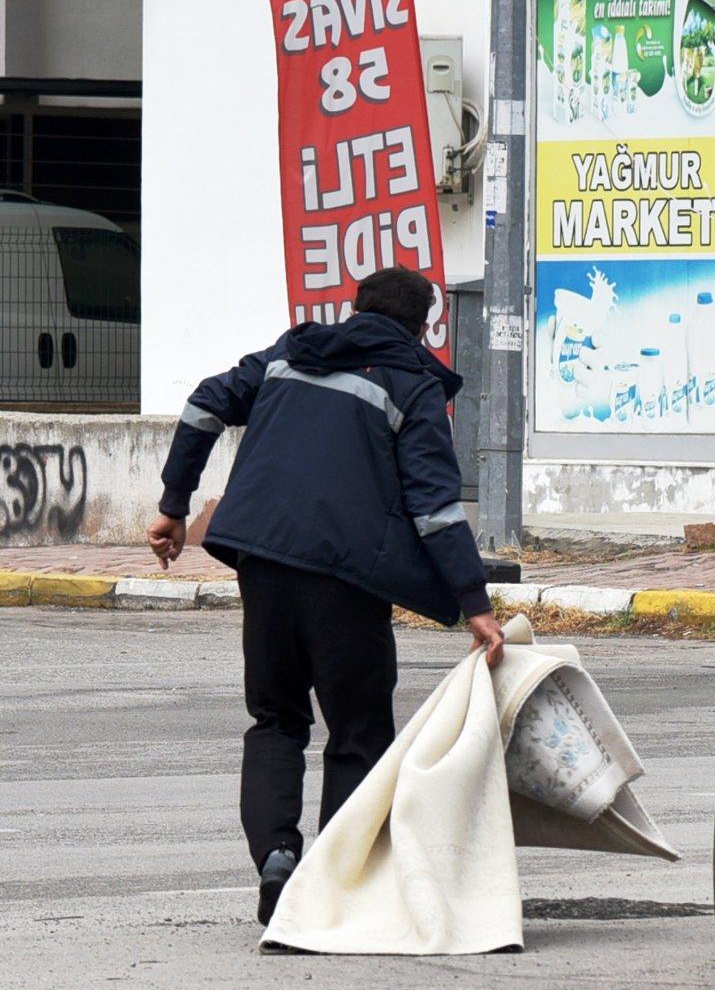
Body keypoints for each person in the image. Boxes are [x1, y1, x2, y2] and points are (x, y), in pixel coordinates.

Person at [147, 267, 505, 925]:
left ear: (354, 308)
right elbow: (435, 510)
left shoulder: (291, 353)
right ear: (424, 327)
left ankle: (278, 857)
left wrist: (174, 505)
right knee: (359, 728)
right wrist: (474, 605)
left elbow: (203, 402)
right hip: (347, 575)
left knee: (276, 720)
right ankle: (334, 884)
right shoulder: (412, 385)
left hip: (262, 558)